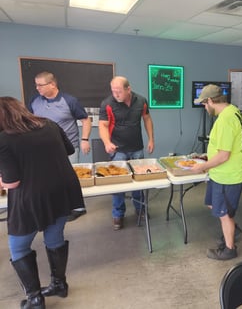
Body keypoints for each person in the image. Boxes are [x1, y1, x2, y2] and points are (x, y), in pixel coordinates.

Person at [0, 97, 84, 309]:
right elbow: (69, 151)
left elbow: (11, 183)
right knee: (54, 236)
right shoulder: (50, 124)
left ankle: (35, 299)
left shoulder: (4, 139)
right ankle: (59, 285)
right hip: (62, 190)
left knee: (18, 247)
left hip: (30, 197)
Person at [190, 84, 242, 260]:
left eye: (204, 104)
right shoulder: (235, 112)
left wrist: (202, 167)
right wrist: (207, 157)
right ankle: (233, 228)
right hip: (220, 175)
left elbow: (224, 155)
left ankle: (229, 249)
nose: (204, 107)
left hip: (227, 177)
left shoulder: (225, 120)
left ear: (210, 101)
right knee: (212, 204)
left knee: (223, 214)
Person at [29, 71, 91, 221]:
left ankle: (78, 207)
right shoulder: (34, 101)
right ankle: (58, 207)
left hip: (68, 147)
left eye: (40, 85)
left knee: (69, 178)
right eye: (36, 85)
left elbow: (85, 120)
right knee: (49, 179)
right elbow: (29, 121)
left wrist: (84, 139)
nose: (38, 88)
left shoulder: (69, 101)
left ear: (52, 84)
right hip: (42, 149)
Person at [99, 76, 154, 230]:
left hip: (137, 149)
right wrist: (107, 142)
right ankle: (118, 215)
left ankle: (140, 209)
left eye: (119, 92)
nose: (115, 95)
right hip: (118, 151)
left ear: (128, 89)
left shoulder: (141, 101)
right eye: (113, 91)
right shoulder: (107, 104)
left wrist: (151, 139)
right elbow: (103, 125)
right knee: (119, 185)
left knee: (139, 182)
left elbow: (147, 119)